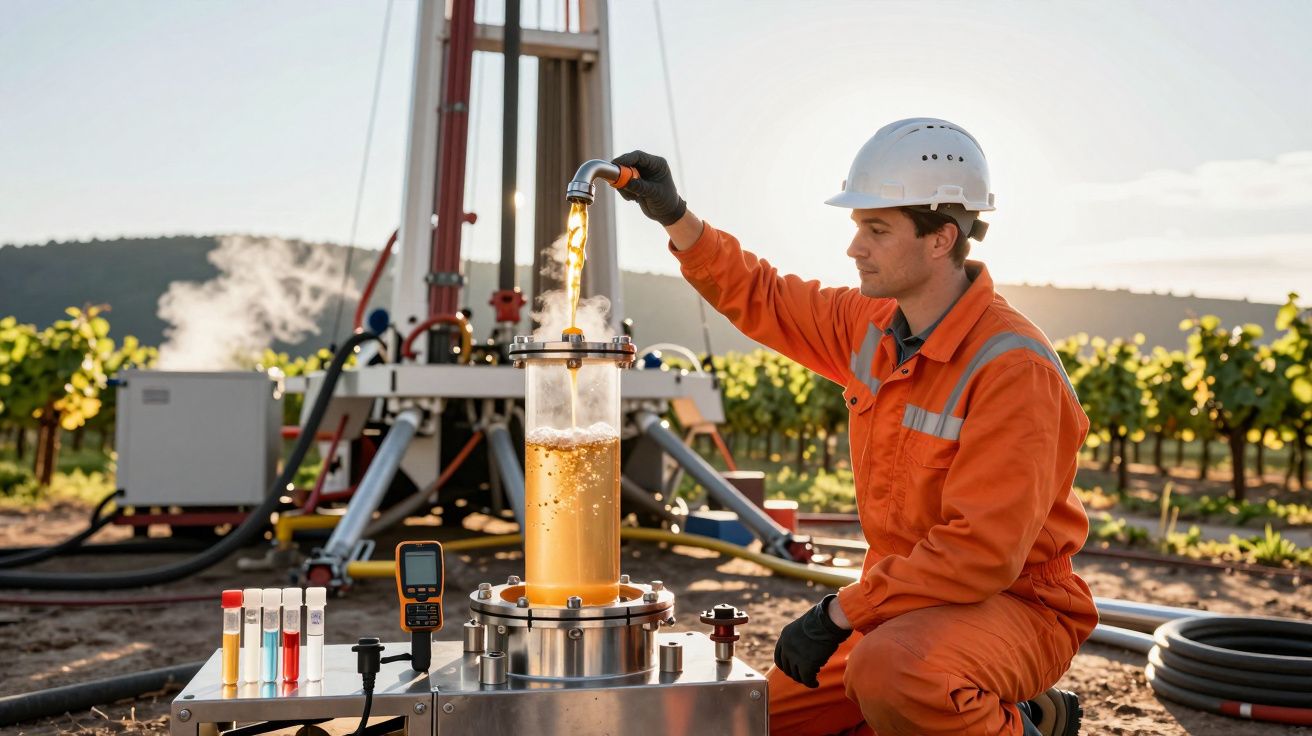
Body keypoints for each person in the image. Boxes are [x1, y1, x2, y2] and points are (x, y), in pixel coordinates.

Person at [612, 118, 1098, 736]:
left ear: (941, 237)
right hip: (905, 604)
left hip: (1018, 607)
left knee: (894, 678)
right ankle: (1018, 717)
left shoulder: (1012, 368)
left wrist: (840, 614)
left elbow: (979, 555)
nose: (854, 248)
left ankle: (1015, 724)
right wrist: (676, 217)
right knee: (753, 721)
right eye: (856, 227)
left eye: (876, 229)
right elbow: (763, 295)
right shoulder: (871, 325)